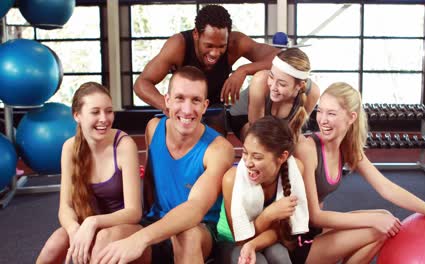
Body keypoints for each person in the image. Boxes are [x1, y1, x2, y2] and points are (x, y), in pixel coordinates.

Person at [292, 82, 425, 264]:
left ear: (351, 118)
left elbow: (386, 188)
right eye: (320, 111)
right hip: (297, 242)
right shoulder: (307, 148)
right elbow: (315, 216)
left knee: (385, 217)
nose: (322, 119)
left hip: (315, 231)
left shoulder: (346, 148)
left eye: (331, 113)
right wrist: (372, 220)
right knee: (379, 227)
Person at [95, 66, 235, 264]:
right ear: (167, 101)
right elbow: (150, 185)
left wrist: (140, 239)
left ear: (205, 106)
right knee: (106, 239)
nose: (187, 110)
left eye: (195, 100)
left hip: (197, 232)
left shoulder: (219, 149)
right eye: (180, 98)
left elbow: (195, 209)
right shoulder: (153, 128)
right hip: (153, 224)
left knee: (187, 235)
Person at [36, 82, 144, 264]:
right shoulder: (70, 148)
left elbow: (134, 212)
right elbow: (65, 207)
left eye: (109, 111)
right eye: (95, 112)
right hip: (90, 230)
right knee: (56, 242)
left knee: (103, 241)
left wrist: (92, 222)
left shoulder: (124, 145)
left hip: (125, 231)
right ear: (77, 115)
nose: (104, 118)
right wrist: (74, 231)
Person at [134, 5, 278, 133]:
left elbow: (279, 57)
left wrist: (243, 70)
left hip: (213, 108)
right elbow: (142, 83)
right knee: (161, 134)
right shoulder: (178, 45)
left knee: (217, 147)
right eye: (209, 46)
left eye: (221, 46)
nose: (215, 53)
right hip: (185, 107)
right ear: (196, 34)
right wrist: (167, 106)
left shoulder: (236, 43)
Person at [222, 116, 309, 264]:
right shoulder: (231, 179)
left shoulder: (295, 170)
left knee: (279, 255)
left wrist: (254, 244)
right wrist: (268, 215)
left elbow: (282, 233)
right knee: (259, 261)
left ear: (282, 157)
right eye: (245, 153)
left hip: (267, 239)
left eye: (257, 157)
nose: (248, 162)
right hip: (232, 242)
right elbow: (242, 241)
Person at [228, 48, 319, 142]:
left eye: (282, 84)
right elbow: (257, 130)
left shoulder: (313, 92)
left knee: (298, 144)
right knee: (260, 143)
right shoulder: (260, 80)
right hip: (244, 116)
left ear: (300, 85)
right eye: (271, 76)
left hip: (279, 124)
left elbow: (293, 133)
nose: (273, 87)